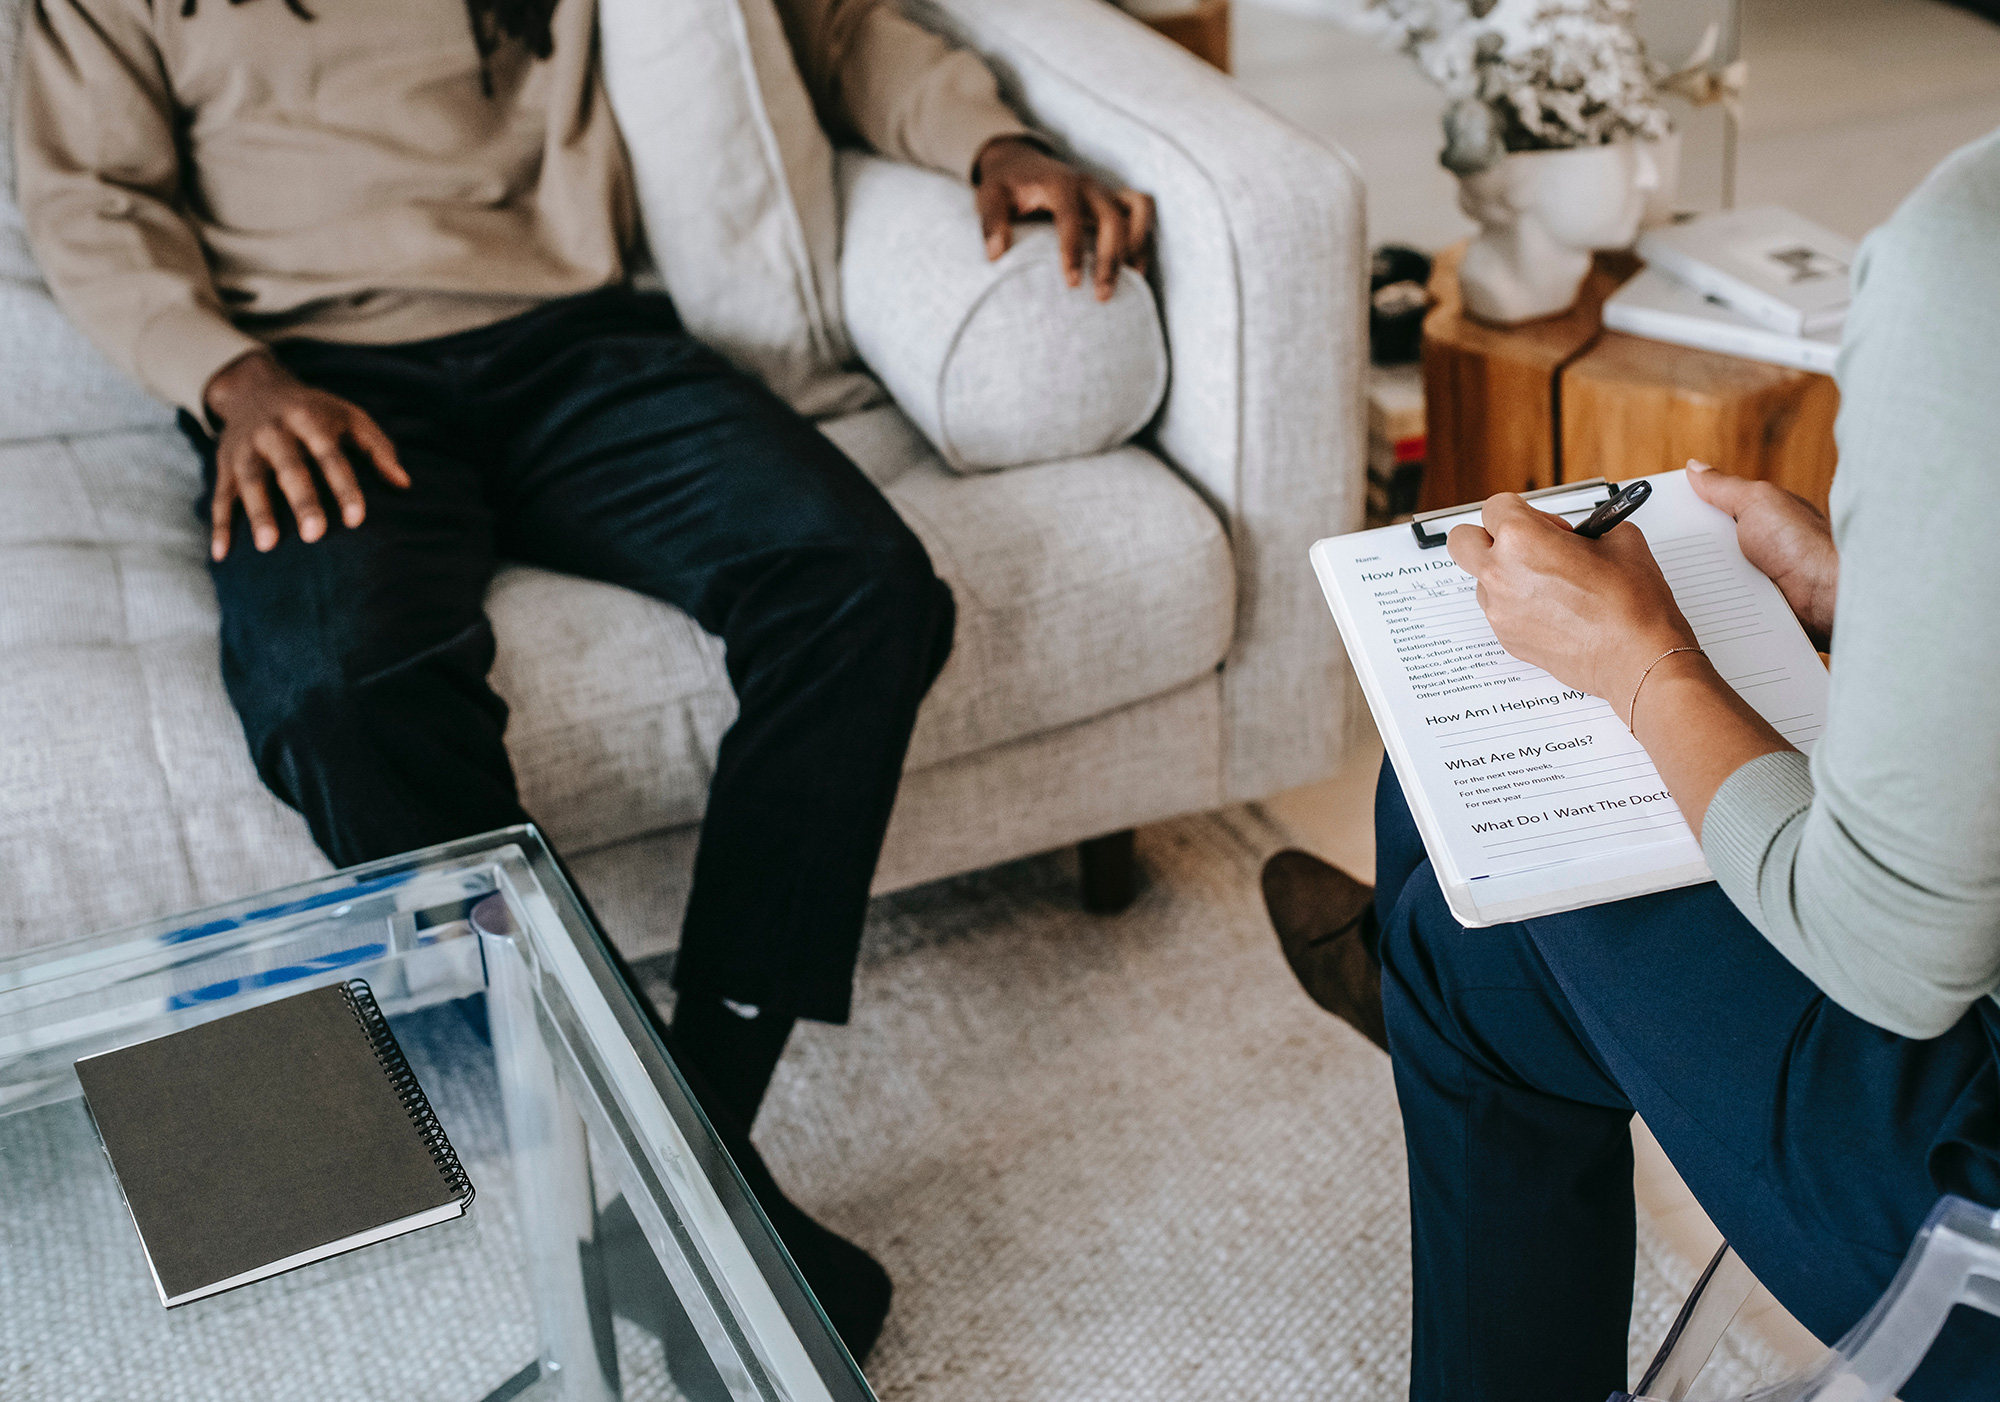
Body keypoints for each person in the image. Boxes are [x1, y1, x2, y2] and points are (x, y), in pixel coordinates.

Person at [17, 0, 1154, 1357]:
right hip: (306, 376)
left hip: (583, 342)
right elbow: (92, 199)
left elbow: (835, 30)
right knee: (338, 697)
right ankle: (686, 1172)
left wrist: (992, 137)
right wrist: (232, 382)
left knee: (860, 590)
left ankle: (684, 1144)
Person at [1265, 128, 2000, 1402]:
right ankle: (1440, 1000)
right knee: (1473, 908)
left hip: (1971, 1220)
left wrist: (1640, 656)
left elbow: (1890, 946)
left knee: (1465, 887)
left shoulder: (1971, 254)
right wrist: (1886, 599)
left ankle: (1428, 999)